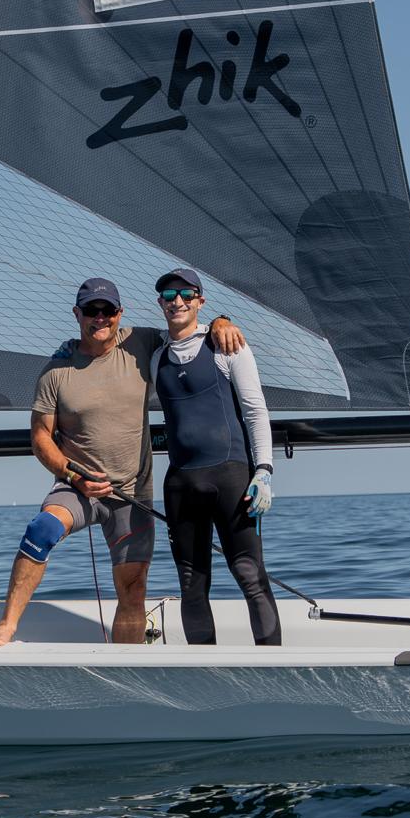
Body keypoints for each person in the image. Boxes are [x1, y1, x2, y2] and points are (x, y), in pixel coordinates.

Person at [0, 277, 244, 647]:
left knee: (133, 589)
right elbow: (40, 437)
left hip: (131, 495)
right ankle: (7, 625)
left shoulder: (142, 343)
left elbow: (185, 327)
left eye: (108, 310)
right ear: (77, 314)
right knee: (41, 531)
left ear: (120, 313)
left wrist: (221, 322)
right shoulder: (56, 371)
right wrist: (73, 475)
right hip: (77, 487)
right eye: (92, 310)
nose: (100, 318)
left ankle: (127, 662)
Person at [150, 267, 281, 646]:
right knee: (190, 583)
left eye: (186, 295)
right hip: (181, 484)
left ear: (200, 301)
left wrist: (264, 470)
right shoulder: (156, 356)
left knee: (249, 574)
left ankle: (272, 665)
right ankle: (202, 666)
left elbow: (255, 410)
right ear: (160, 303)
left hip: (233, 480)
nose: (177, 301)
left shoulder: (227, 344)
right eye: (169, 295)